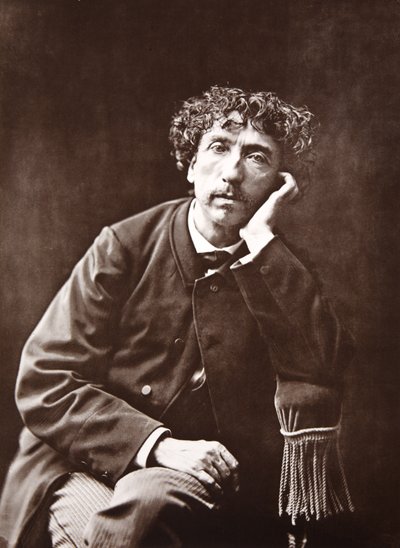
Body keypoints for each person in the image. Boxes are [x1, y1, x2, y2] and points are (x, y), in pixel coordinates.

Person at [0, 86, 354, 547]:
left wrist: (262, 241)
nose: (232, 172)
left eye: (257, 157)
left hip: (201, 479)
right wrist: (158, 445)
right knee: (121, 526)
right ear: (191, 165)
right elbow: (46, 378)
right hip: (80, 461)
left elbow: (324, 365)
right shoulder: (124, 246)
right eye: (218, 147)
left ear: (279, 183)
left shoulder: (283, 265)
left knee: (148, 508)